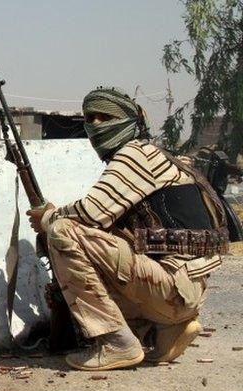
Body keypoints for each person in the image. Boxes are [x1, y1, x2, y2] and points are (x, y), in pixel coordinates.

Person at [27, 87, 229, 371]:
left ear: (129, 120)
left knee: (64, 231)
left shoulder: (135, 154)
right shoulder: (158, 155)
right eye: (89, 118)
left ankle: (116, 343)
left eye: (105, 116)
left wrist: (48, 218)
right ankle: (166, 332)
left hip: (172, 287)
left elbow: (90, 214)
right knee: (91, 245)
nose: (95, 124)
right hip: (185, 293)